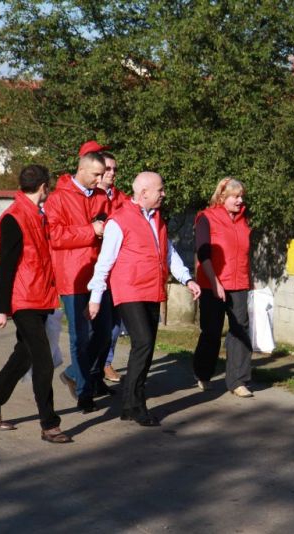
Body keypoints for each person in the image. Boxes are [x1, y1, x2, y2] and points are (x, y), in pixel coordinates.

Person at [87, 172, 201, 426]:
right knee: (144, 341)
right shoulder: (119, 220)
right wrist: (95, 297)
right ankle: (138, 405)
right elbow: (104, 262)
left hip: (152, 288)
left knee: (146, 348)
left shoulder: (158, 219)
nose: (164, 194)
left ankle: (128, 404)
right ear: (144, 193)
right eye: (160, 190)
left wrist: (187, 279)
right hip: (128, 289)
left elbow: (168, 252)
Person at [0, 165, 72, 444]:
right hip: (24, 299)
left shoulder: (38, 216)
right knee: (42, 360)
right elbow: (5, 267)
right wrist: (0, 307)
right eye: (48, 187)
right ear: (43, 187)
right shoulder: (14, 218)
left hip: (40, 296)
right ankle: (50, 424)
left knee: (24, 355)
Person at [46, 144, 114, 413]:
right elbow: (55, 237)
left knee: (106, 331)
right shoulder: (58, 198)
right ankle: (84, 392)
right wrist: (90, 231)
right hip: (72, 276)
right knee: (80, 337)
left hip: (99, 275)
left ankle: (74, 373)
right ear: (82, 169)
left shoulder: (101, 197)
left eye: (103, 174)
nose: (101, 180)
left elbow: (109, 227)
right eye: (97, 174)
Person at [192, 177, 254, 398]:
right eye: (235, 196)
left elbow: (245, 253)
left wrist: (250, 280)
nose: (240, 200)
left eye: (241, 196)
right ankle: (203, 373)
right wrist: (215, 282)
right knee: (211, 331)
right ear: (222, 197)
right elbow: (203, 253)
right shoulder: (206, 218)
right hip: (212, 284)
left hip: (239, 283)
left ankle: (238, 381)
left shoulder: (243, 219)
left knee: (240, 331)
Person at [94, 151, 129, 383]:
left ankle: (106, 362)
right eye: (108, 169)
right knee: (96, 322)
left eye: (115, 169)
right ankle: (88, 369)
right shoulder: (90, 196)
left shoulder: (122, 198)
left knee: (116, 320)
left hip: (118, 267)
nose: (112, 173)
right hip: (93, 265)